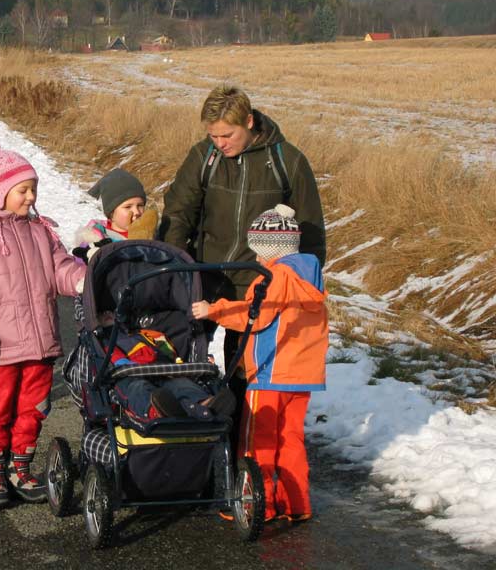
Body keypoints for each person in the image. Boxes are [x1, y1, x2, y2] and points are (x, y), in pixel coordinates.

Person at [159, 84, 326, 444]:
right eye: (212, 134)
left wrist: (305, 287)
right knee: (185, 359)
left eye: (226, 134)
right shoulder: (203, 157)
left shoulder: (287, 161)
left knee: (245, 369)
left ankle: (241, 451)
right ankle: (186, 437)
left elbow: (310, 230)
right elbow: (178, 213)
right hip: (203, 276)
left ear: (248, 122)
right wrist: (176, 272)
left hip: (258, 285)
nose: (219, 142)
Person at [0, 143, 86, 510]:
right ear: (0, 193)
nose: (30, 197)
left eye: (33, 189)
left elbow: (60, 269)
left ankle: (19, 465)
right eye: (22, 190)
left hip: (40, 345)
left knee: (33, 409)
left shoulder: (41, 233)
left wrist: (81, 279)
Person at [192, 204, 328, 523]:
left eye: (258, 251)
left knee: (258, 442)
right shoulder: (310, 275)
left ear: (270, 250)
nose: (255, 259)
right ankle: (296, 503)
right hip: (304, 376)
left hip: (270, 373)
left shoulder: (274, 277)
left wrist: (213, 310)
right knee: (291, 438)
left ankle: (258, 506)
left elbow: (254, 316)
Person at [73, 168, 234, 423]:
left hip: (159, 348)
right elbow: (87, 292)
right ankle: (155, 408)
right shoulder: (97, 248)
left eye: (141, 205)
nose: (137, 212)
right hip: (121, 351)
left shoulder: (156, 248)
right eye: (128, 206)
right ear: (110, 212)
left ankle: (202, 404)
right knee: (135, 386)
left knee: (180, 381)